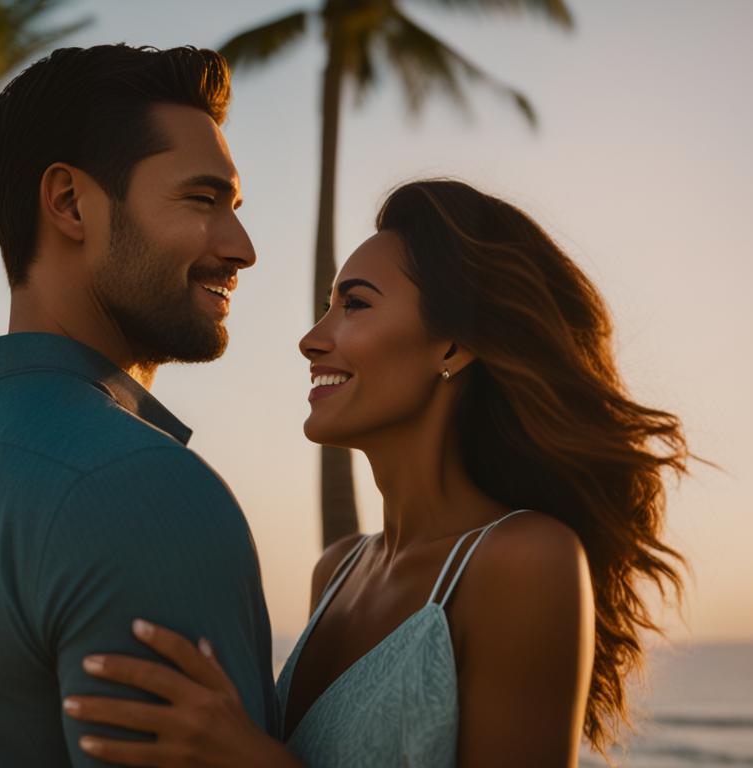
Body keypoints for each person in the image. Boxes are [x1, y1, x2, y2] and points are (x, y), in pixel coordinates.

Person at [61, 179, 691, 766]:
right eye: (328, 307)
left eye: (355, 305)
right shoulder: (335, 572)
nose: (312, 339)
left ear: (451, 345)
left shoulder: (525, 560)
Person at [0, 45, 282, 766]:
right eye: (203, 199)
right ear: (70, 203)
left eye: (235, 207)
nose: (242, 247)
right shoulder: (143, 490)